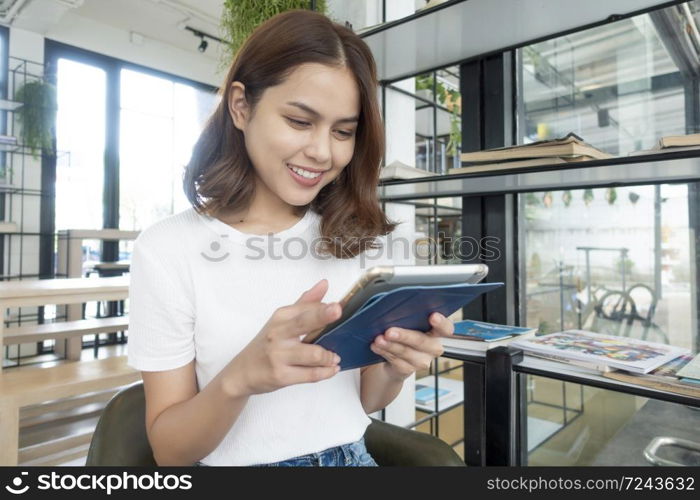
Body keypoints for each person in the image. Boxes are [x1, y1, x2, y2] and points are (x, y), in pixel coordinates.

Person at [127, 9, 455, 467]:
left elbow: (361, 402)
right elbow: (170, 451)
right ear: (241, 106)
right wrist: (240, 377)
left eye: (343, 131)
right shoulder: (168, 249)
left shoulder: (356, 241)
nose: (323, 151)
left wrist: (395, 365)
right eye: (300, 122)